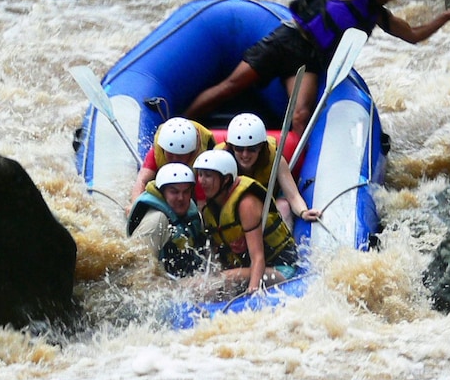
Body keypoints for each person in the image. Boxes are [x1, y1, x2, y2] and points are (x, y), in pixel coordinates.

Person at [183, 0, 450, 136]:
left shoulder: (379, 15)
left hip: (309, 61)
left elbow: (414, 36)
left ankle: (295, 173)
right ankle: (184, 122)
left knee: (301, 116)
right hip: (288, 40)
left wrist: (447, 16)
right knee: (232, 86)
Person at [193, 149, 298, 296]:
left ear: (226, 179)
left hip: (280, 269)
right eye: (201, 175)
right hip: (250, 269)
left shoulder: (246, 204)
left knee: (219, 281)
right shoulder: (211, 208)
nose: (202, 181)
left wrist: (253, 292)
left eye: (208, 176)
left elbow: (258, 257)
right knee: (199, 282)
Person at [217, 112, 320, 224]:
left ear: (261, 147)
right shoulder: (219, 160)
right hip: (235, 209)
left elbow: (293, 196)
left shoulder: (276, 160)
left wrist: (303, 212)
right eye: (239, 149)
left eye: (252, 149)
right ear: (232, 147)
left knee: (284, 206)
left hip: (268, 207)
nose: (245, 155)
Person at [127, 163, 208, 277]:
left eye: (186, 192)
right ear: (162, 193)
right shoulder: (155, 221)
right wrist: (180, 287)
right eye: (174, 192)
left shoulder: (191, 208)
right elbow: (139, 274)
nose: (181, 198)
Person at [128, 116, 215, 207]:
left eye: (180, 155)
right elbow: (142, 180)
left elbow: (202, 202)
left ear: (191, 152)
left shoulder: (202, 161)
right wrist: (134, 206)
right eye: (170, 154)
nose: (174, 159)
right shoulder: (159, 150)